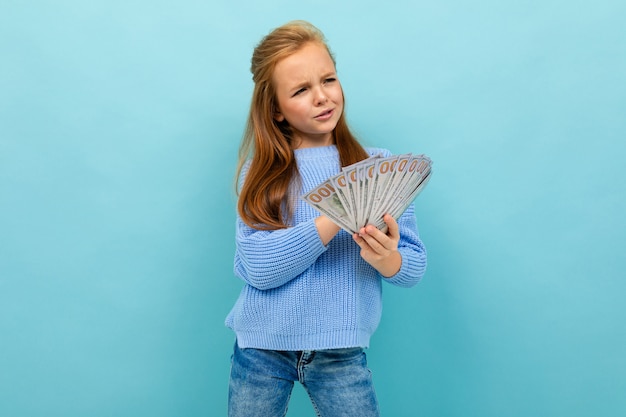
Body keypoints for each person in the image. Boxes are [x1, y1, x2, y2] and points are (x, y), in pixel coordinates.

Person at [225, 20, 427, 417]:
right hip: (262, 348)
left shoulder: (380, 167)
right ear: (276, 111)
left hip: (341, 350)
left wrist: (386, 258)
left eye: (328, 80)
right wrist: (335, 215)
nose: (322, 97)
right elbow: (259, 268)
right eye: (301, 90)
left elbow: (414, 265)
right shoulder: (261, 174)